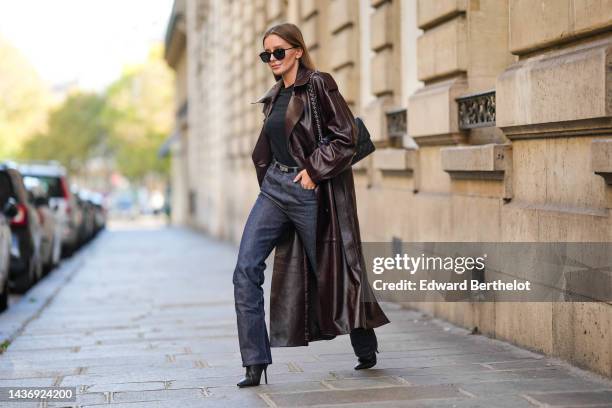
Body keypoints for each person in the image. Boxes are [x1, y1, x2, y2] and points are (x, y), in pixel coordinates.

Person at [232, 22, 390, 388]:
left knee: (335, 270)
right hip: (275, 188)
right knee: (245, 268)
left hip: (309, 189)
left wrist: (314, 171)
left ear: (297, 51)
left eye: (278, 52)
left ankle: (364, 341)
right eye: (266, 54)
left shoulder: (319, 84)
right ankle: (254, 362)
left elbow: (346, 135)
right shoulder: (273, 96)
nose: (272, 59)